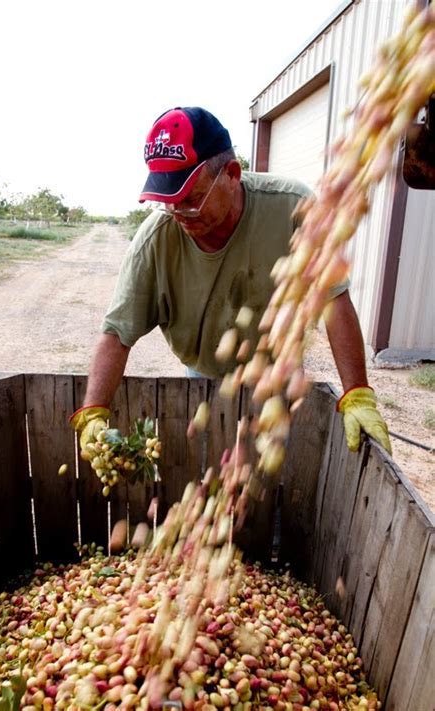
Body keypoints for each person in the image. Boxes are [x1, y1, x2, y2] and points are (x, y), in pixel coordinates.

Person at [70, 106, 391, 456]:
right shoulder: (155, 242)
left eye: (191, 199)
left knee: (273, 471)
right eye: (168, 202)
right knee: (213, 459)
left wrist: (357, 392)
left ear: (232, 174)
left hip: (277, 370)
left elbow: (334, 300)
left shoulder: (292, 209)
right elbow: (118, 332)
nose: (179, 214)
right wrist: (93, 411)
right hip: (204, 371)